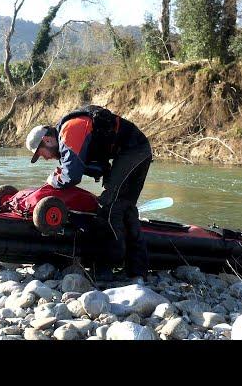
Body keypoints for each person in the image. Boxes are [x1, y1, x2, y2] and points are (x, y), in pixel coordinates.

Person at [25, 105, 152, 281]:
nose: (45, 158)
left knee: (107, 206)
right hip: (135, 151)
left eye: (41, 154)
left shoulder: (70, 131)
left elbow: (72, 176)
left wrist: (52, 180)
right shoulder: (68, 135)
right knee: (125, 209)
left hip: (133, 151)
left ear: (47, 140)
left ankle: (106, 267)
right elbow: (93, 167)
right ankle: (137, 272)